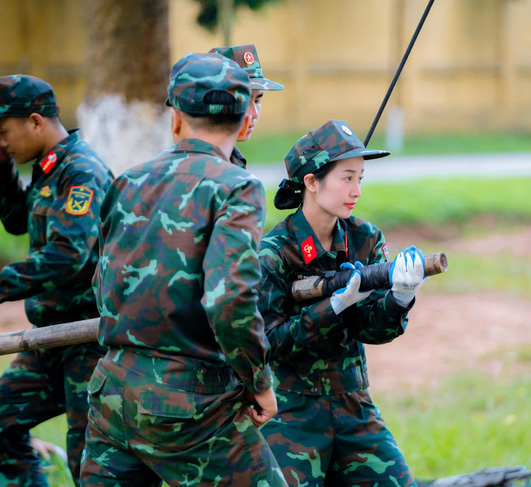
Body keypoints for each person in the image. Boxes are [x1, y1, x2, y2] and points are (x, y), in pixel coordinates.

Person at [79, 52, 285, 487]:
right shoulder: (236, 187)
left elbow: (102, 283)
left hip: (111, 391)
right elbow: (230, 300)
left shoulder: (129, 180)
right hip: (189, 403)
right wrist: (259, 383)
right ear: (246, 118)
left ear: (174, 118)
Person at [258, 119, 427, 486]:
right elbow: (270, 342)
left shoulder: (365, 238)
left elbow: (372, 328)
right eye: (346, 178)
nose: (356, 191)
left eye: (360, 179)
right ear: (311, 182)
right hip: (292, 411)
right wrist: (331, 308)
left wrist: (400, 298)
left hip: (354, 404)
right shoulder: (275, 252)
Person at [0, 74, 113, 486]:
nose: (3, 142)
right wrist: (2, 168)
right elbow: (17, 220)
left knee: (90, 461)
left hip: (86, 341)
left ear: (34, 122)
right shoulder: (50, 169)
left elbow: (66, 256)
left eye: (3, 133)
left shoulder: (80, 171)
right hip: (50, 338)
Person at [209, 43, 284, 169]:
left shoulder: (231, 159)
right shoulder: (204, 167)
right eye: (242, 101)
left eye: (257, 101)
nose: (254, 114)